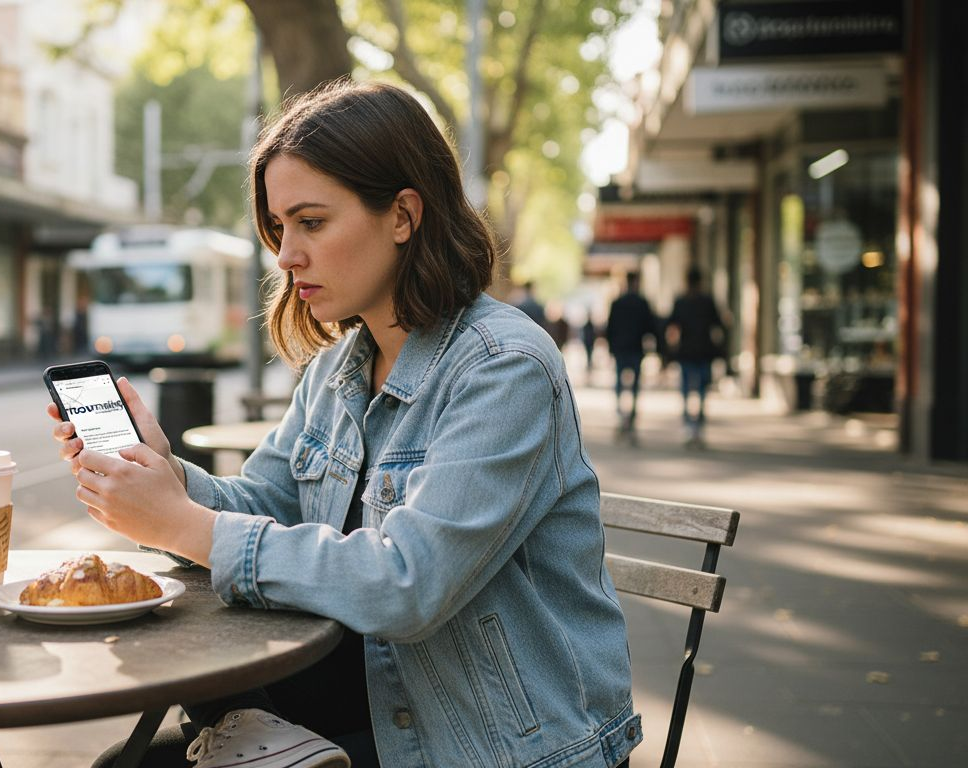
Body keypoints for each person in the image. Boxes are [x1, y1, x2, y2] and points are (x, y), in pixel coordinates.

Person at [50, 81, 641, 768]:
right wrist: (166, 479)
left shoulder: (504, 367)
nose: (285, 255)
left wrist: (183, 525)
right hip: (369, 709)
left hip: (489, 745)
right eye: (279, 227)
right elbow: (265, 502)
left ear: (403, 216)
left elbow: (408, 583)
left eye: (311, 222)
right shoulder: (340, 367)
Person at [665, 266, 727, 446]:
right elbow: (718, 326)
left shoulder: (681, 301)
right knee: (701, 390)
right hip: (703, 351)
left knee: (686, 389)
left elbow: (671, 326)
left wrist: (671, 348)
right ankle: (698, 426)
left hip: (686, 351)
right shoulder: (707, 301)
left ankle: (688, 425)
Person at [604, 271, 659, 442]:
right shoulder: (642, 303)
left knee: (620, 383)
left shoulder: (617, 303)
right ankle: (631, 417)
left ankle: (621, 415)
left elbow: (610, 327)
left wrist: (610, 348)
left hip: (621, 348)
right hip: (635, 348)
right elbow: (650, 326)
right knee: (634, 385)